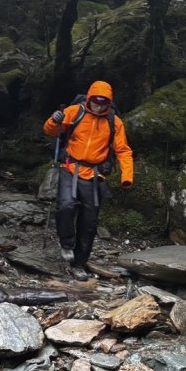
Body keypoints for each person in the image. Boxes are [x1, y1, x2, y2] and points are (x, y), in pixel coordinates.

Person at [43, 80, 133, 281]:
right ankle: (67, 243)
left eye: (103, 103)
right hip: (70, 168)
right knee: (65, 206)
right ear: (89, 98)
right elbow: (51, 131)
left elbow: (123, 150)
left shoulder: (114, 122)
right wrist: (54, 120)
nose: (99, 106)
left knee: (89, 223)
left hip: (95, 176)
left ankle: (79, 264)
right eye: (96, 102)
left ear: (109, 103)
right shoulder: (75, 111)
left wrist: (127, 177)